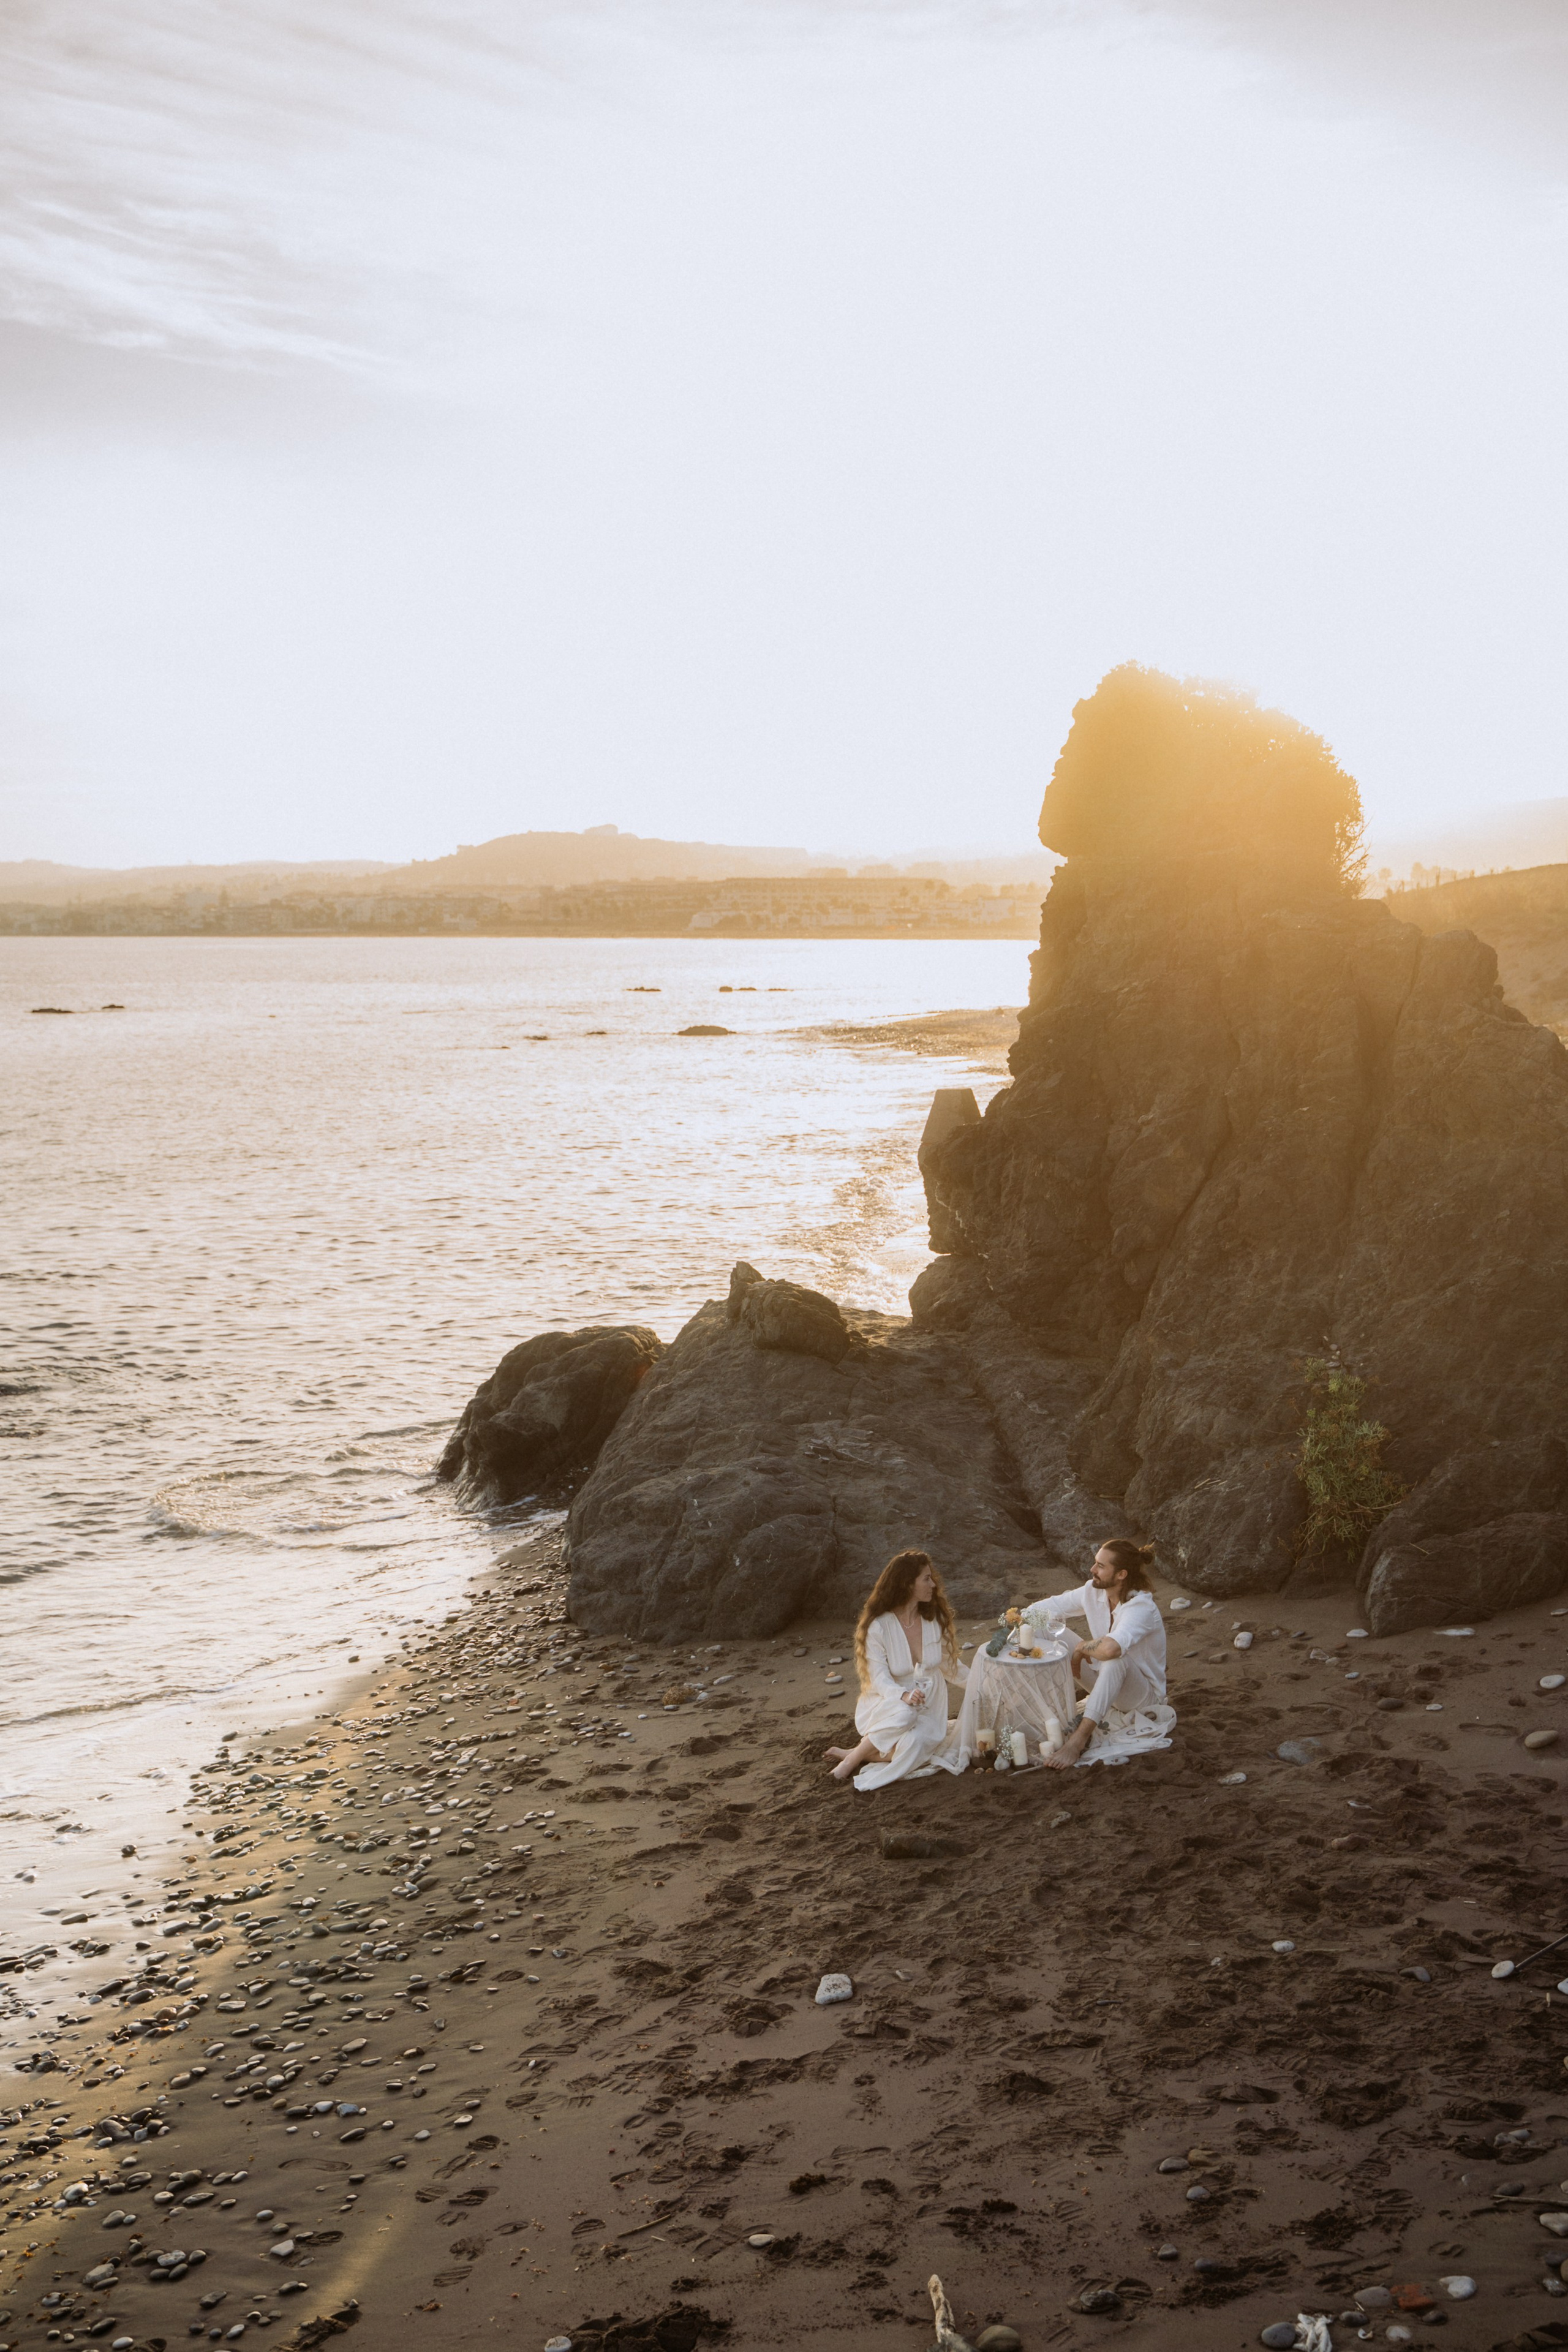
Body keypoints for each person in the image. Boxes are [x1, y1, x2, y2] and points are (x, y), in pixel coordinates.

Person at [1009, 1538, 1167, 1770]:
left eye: (1101, 1566)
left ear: (1121, 1574)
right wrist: (1017, 1626)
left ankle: (1077, 1742)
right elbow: (1038, 1611)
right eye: (1095, 1563)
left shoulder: (1140, 1607)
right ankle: (1035, 1708)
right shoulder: (1093, 1591)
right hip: (1102, 1680)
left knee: (1115, 1659)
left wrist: (1082, 1647)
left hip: (1142, 1698)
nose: (1093, 1570)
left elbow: (1111, 1649)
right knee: (1038, 1624)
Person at [825, 1549, 967, 1789]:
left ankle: (859, 1749)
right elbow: (878, 1679)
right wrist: (904, 1696)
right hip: (888, 1703)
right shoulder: (879, 1627)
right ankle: (853, 1759)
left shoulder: (933, 1621)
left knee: (914, 1744)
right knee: (905, 1714)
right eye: (926, 1579)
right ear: (907, 1584)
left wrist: (983, 1679)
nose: (933, 1584)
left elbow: (951, 1668)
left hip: (930, 1704)